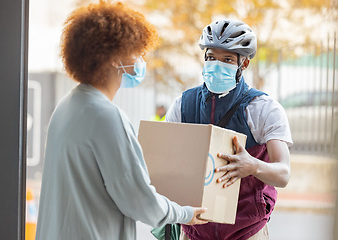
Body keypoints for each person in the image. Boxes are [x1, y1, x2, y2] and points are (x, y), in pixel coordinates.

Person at [35, 1, 208, 240]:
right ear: (115, 59)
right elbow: (139, 201)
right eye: (135, 51)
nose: (139, 59)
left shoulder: (66, 107)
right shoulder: (106, 116)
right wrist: (185, 213)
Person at [166, 18, 292, 240]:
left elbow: (283, 174)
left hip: (246, 231)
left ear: (243, 64)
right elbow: (165, 162)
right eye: (211, 57)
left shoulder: (263, 109)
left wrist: (252, 165)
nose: (216, 64)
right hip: (194, 229)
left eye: (227, 59)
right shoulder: (183, 105)